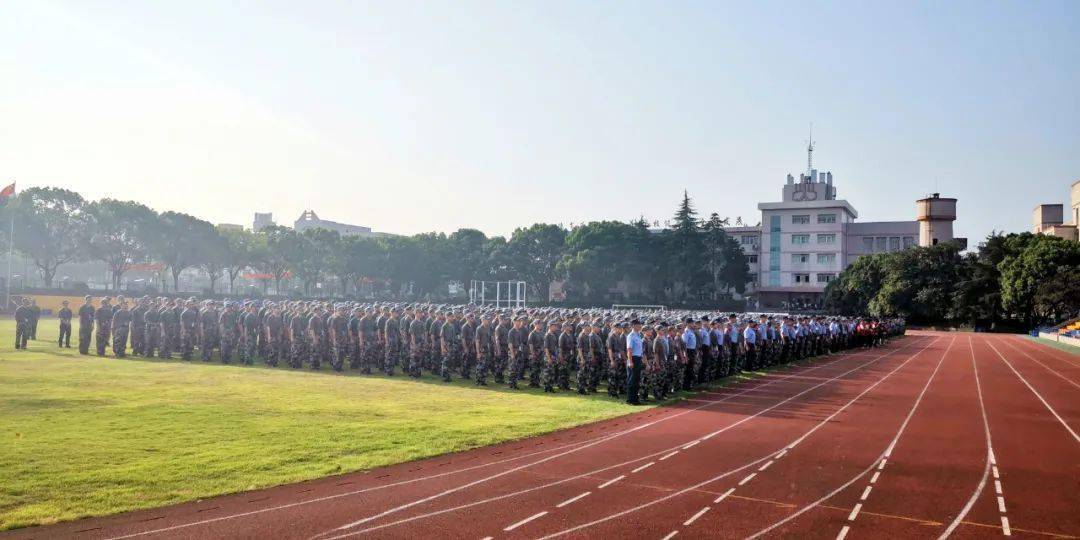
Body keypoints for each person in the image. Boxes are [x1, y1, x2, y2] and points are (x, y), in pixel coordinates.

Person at [625, 319, 645, 405]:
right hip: (633, 358)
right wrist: (630, 361)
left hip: (638, 358)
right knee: (631, 380)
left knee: (637, 380)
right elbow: (629, 349)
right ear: (633, 326)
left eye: (640, 324)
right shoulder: (631, 335)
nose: (640, 326)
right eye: (638, 325)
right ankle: (630, 400)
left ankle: (635, 399)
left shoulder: (638, 335)